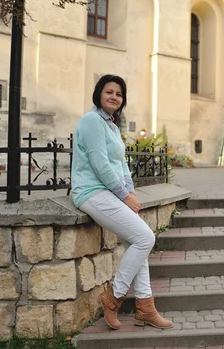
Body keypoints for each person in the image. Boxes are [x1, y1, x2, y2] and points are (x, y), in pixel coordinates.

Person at [71, 74, 173, 330]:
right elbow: (100, 163)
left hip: (110, 192)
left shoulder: (112, 126)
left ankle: (145, 309)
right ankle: (114, 297)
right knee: (145, 238)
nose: (114, 97)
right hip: (92, 192)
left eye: (119, 93)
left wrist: (130, 192)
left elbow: (121, 165)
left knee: (137, 242)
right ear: (98, 94)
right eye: (109, 92)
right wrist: (123, 195)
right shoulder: (92, 121)